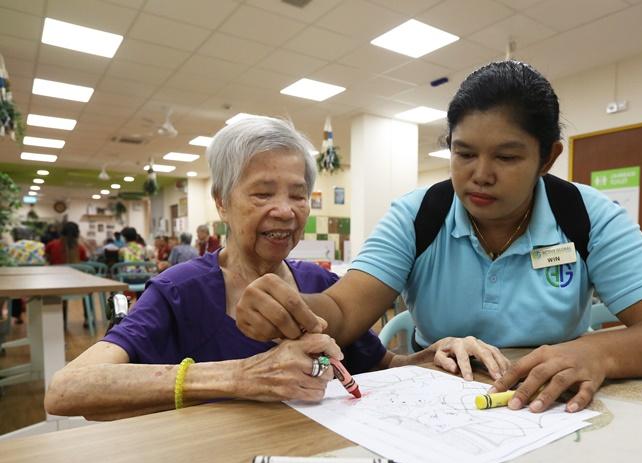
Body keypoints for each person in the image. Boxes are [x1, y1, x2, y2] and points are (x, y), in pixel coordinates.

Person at [234, 61, 642, 414]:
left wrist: (598, 351)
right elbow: (343, 311)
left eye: (506, 158)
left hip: (552, 403)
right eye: (463, 154)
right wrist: (295, 311)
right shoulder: (420, 214)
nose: (479, 176)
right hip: (436, 403)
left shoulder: (585, 215)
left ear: (547, 158)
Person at [44, 117, 427, 421]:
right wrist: (242, 376)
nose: (285, 209)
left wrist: (432, 358)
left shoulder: (321, 285)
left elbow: (383, 366)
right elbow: (67, 389)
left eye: (298, 195)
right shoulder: (179, 291)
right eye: (262, 193)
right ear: (222, 203)